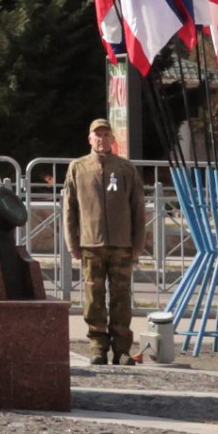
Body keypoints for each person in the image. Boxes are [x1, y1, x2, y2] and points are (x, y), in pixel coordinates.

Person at [63, 118, 147, 365]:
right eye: (97, 135)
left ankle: (122, 349)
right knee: (94, 298)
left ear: (112, 138)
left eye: (106, 135)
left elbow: (138, 207)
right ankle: (98, 346)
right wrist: (72, 243)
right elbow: (69, 208)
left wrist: (138, 243)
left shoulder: (125, 168)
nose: (102, 139)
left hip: (122, 243)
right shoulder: (78, 168)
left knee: (121, 297)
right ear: (90, 139)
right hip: (91, 243)